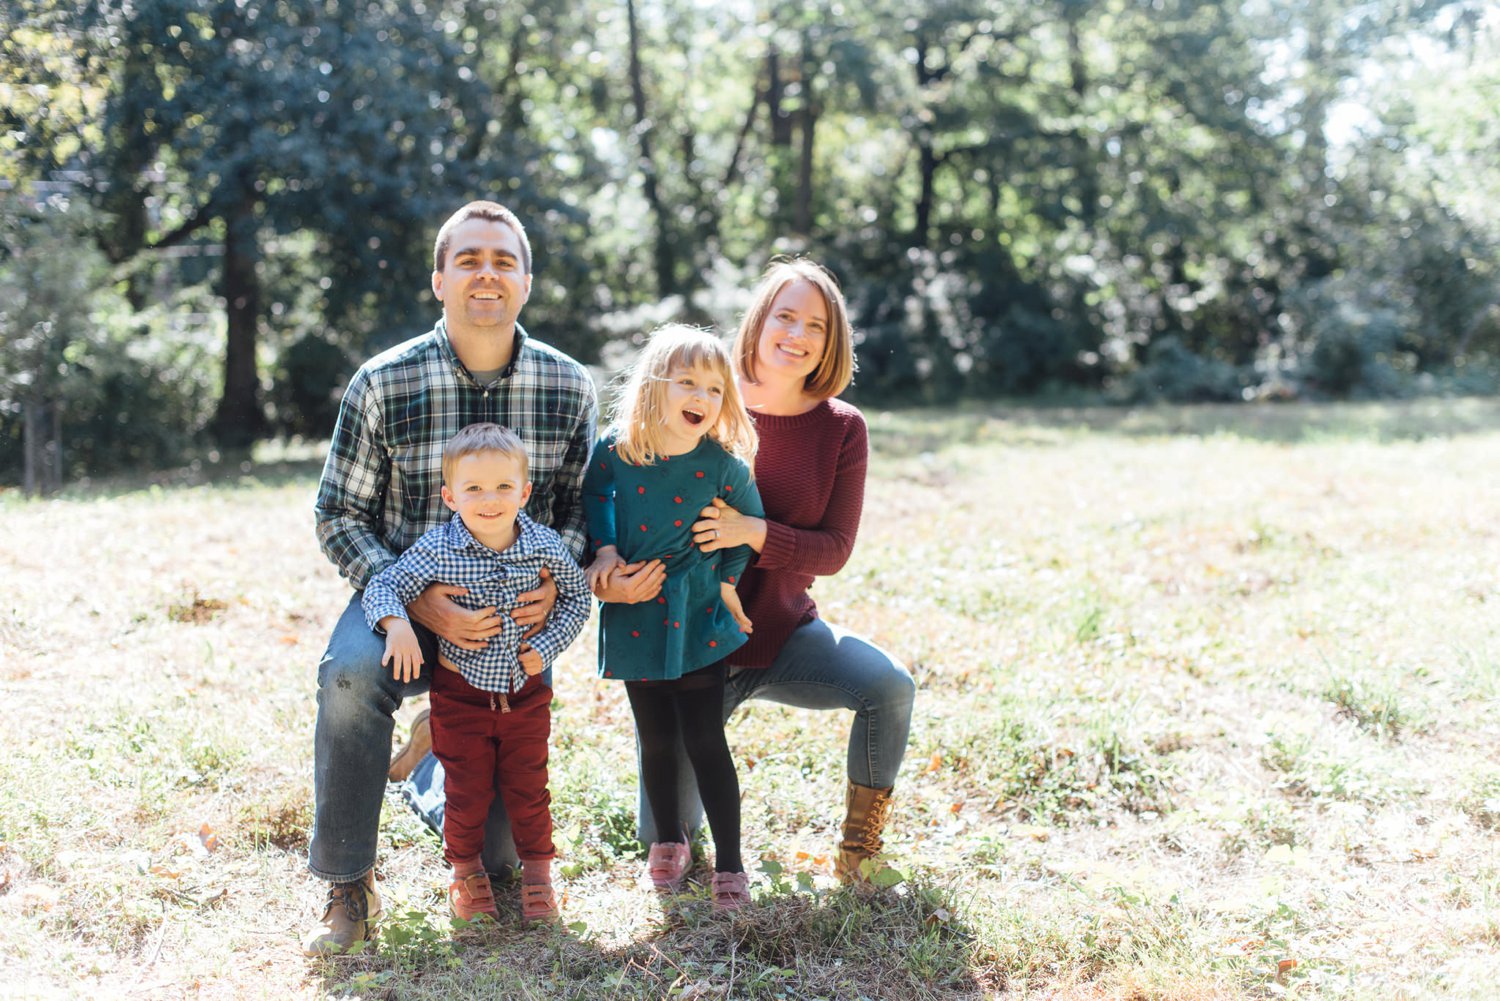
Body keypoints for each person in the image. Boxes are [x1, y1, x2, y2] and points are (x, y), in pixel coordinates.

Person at [303, 200, 608, 956]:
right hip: (405, 604)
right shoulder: (383, 382)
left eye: (504, 260)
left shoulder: (567, 387)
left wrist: (551, 577)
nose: (486, 272)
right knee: (346, 674)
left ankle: (438, 753)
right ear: (439, 278)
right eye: (468, 258)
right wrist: (414, 602)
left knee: (498, 858)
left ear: (526, 282)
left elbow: (581, 510)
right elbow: (339, 512)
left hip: (511, 628)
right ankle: (347, 882)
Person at [660, 259, 916, 884]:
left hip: (782, 635)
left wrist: (755, 533)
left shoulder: (841, 429)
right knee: (668, 841)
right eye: (785, 316)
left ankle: (859, 849)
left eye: (816, 326)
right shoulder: (706, 397)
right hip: (692, 645)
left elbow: (834, 549)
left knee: (889, 688)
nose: (797, 334)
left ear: (833, 342)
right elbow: (631, 461)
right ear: (760, 320)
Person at [362, 423, 591, 925]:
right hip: (460, 699)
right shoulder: (438, 548)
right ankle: (465, 874)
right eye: (474, 489)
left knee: (529, 790)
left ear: (525, 491)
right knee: (465, 794)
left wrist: (547, 645)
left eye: (504, 487)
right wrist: (396, 622)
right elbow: (385, 584)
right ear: (450, 496)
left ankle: (540, 878)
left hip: (525, 697)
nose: (490, 499)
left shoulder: (544, 546)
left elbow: (577, 598)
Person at [581, 325, 764, 911]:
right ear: (654, 387)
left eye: (714, 388)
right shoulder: (616, 450)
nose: (702, 398)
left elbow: (746, 531)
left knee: (705, 738)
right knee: (655, 738)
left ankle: (730, 862)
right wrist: (606, 552)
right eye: (688, 383)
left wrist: (730, 585)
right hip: (637, 610)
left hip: (699, 611)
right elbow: (596, 498)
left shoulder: (722, 466)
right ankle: (668, 839)